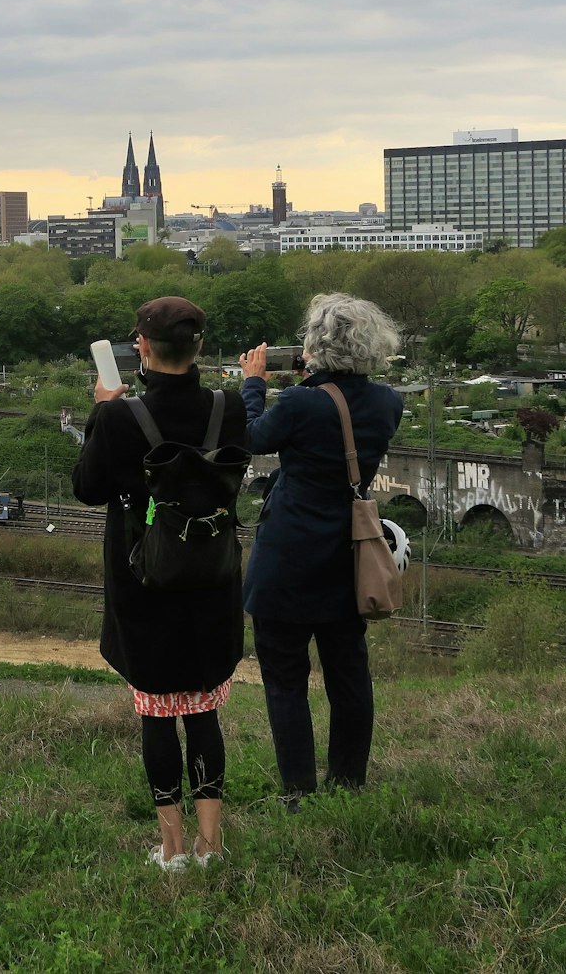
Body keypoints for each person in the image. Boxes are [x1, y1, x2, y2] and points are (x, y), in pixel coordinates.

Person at [73, 297, 247, 870]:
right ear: (199, 347)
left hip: (144, 587)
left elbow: (87, 487)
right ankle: (210, 846)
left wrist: (100, 412)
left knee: (157, 717)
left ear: (142, 347)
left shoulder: (122, 419)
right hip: (213, 582)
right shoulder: (229, 408)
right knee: (203, 713)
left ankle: (172, 848)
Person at [238, 292, 404, 808]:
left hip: (287, 560)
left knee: (285, 680)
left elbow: (251, 437)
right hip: (347, 560)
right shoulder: (388, 403)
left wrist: (253, 383)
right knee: (349, 674)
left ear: (315, 345)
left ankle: (298, 792)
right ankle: (348, 783)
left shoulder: (299, 404)